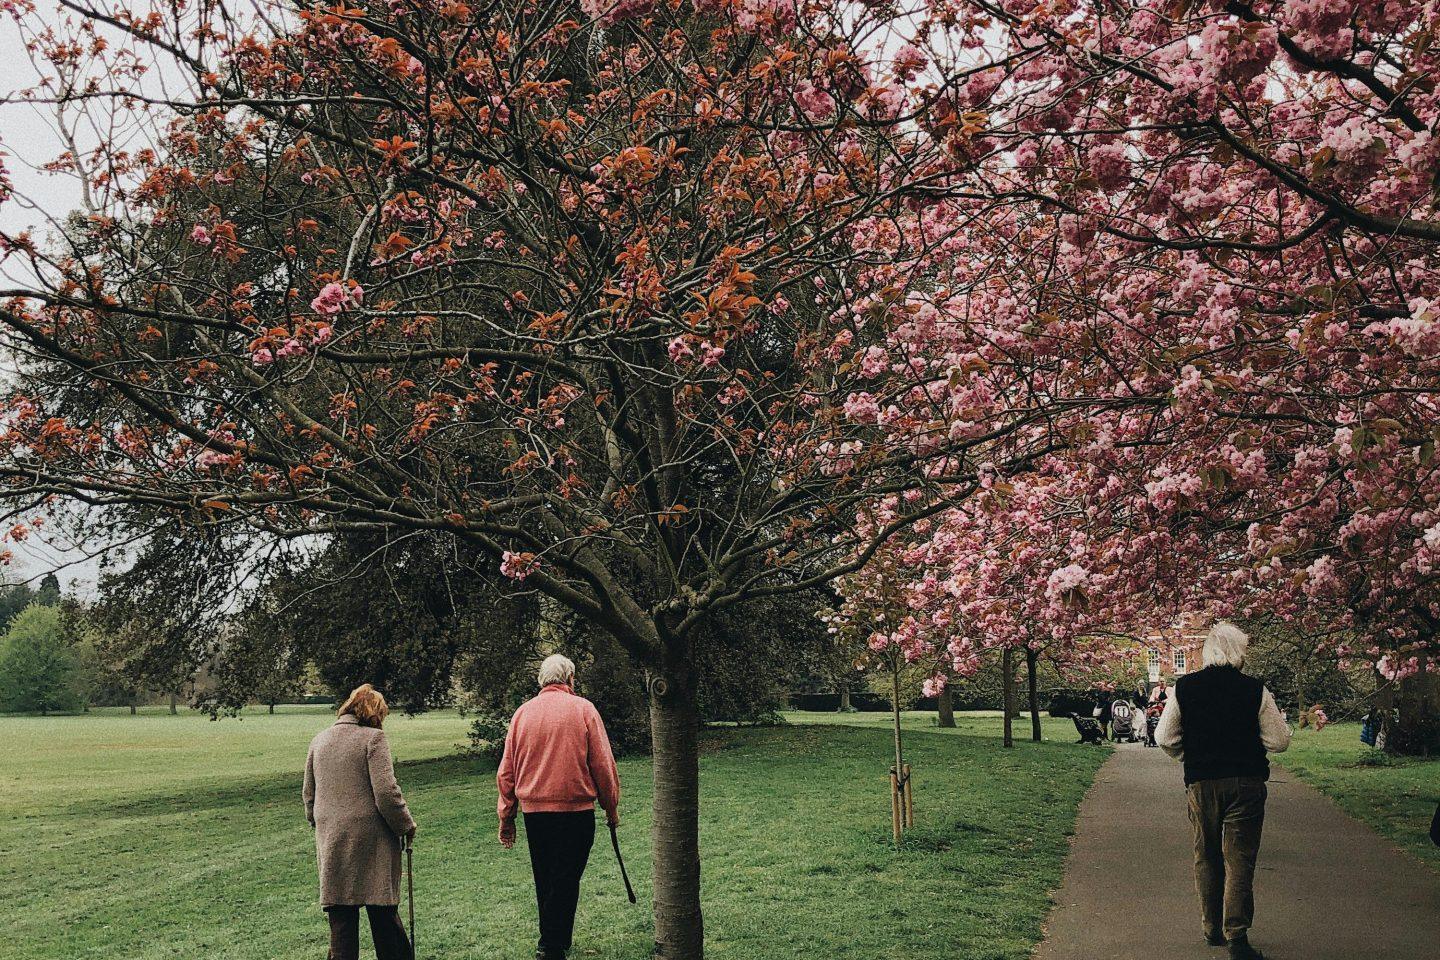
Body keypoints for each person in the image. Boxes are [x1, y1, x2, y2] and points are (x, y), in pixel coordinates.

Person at [1155, 623, 1291, 960]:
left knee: (1206, 854)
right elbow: (1278, 741)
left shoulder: (1185, 688)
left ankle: (1211, 927)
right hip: (1245, 782)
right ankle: (1237, 935)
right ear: (1239, 652)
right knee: (1239, 858)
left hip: (1202, 783)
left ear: (1207, 652)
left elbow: (1164, 737)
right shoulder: (1255, 690)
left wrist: (1190, 756)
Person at [497, 655, 621, 960]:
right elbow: (603, 765)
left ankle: (554, 941)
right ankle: (551, 945)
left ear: (542, 680)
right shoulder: (584, 710)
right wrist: (611, 807)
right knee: (565, 877)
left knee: (547, 877)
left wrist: (507, 816)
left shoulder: (522, 714)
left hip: (535, 814)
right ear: (570, 679)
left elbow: (506, 772)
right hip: (575, 812)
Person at [304, 684, 417, 960]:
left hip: (332, 838)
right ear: (374, 713)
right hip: (372, 841)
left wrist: (321, 824)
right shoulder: (373, 739)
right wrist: (406, 825)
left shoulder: (319, 740)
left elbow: (309, 794)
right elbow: (386, 793)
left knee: (341, 921)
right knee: (383, 914)